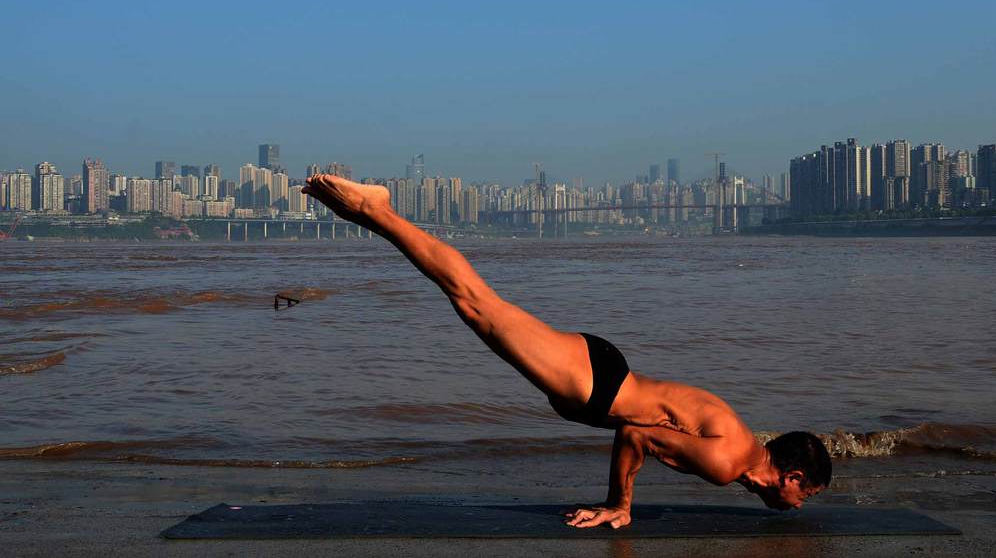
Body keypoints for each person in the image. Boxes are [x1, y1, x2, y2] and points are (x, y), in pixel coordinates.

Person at [302, 174, 831, 530]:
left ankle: (368, 215)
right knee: (475, 303)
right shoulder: (728, 460)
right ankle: (379, 210)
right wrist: (618, 506)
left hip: (600, 379)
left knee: (475, 306)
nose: (799, 505)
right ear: (792, 478)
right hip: (596, 385)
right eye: (806, 496)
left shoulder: (737, 452)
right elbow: (636, 432)